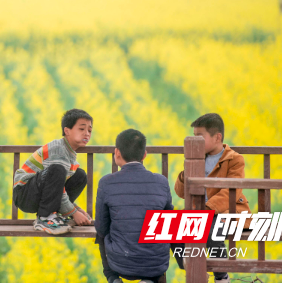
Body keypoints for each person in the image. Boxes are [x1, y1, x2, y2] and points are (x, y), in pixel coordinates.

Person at [175, 113, 252, 283]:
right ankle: (193, 268)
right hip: (203, 212)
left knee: (209, 227)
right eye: (193, 137)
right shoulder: (196, 158)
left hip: (229, 212)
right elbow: (181, 193)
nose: (195, 141)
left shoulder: (234, 159)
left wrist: (207, 209)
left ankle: (222, 276)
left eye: (199, 137)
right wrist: (185, 172)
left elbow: (232, 190)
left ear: (217, 137)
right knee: (172, 226)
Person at [95, 129, 172, 283]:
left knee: (102, 236)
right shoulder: (161, 181)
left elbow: (101, 228)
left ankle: (112, 278)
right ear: (144, 154)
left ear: (117, 153)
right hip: (155, 264)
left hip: (120, 262)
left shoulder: (106, 182)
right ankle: (151, 279)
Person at [13, 108, 93, 235]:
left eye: (89, 130)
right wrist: (73, 213)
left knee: (80, 175)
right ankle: (44, 218)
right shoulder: (58, 149)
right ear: (67, 131)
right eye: (82, 129)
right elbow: (55, 179)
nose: (87, 133)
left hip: (39, 192)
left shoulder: (70, 153)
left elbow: (58, 186)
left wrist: (75, 209)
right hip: (25, 193)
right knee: (57, 170)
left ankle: (55, 214)